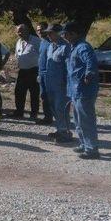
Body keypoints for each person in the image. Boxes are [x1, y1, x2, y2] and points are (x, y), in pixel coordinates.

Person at [62, 22, 100, 159]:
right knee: (78, 120)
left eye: (66, 34)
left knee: (86, 120)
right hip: (75, 90)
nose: (64, 37)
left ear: (73, 33)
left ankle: (92, 149)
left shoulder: (83, 47)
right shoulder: (73, 47)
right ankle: (84, 144)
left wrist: (89, 75)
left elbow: (91, 62)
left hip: (84, 90)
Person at [44, 24, 72, 143]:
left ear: (58, 33)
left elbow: (69, 67)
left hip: (61, 83)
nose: (48, 35)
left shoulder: (66, 47)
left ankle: (65, 132)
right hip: (50, 82)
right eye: (48, 33)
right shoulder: (50, 46)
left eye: (51, 33)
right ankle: (60, 129)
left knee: (61, 108)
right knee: (53, 107)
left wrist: (67, 83)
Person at [9, 24, 41, 119]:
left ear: (27, 31)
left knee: (34, 93)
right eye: (18, 31)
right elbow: (17, 55)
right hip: (22, 71)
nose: (20, 33)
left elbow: (43, 54)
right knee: (19, 92)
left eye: (22, 31)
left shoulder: (36, 41)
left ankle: (34, 113)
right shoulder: (19, 42)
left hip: (34, 70)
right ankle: (19, 112)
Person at [37, 22, 54, 125]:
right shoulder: (42, 42)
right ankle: (47, 116)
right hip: (41, 72)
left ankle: (49, 117)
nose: (40, 32)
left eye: (42, 29)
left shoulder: (50, 42)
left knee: (48, 96)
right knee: (43, 95)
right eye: (38, 30)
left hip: (48, 73)